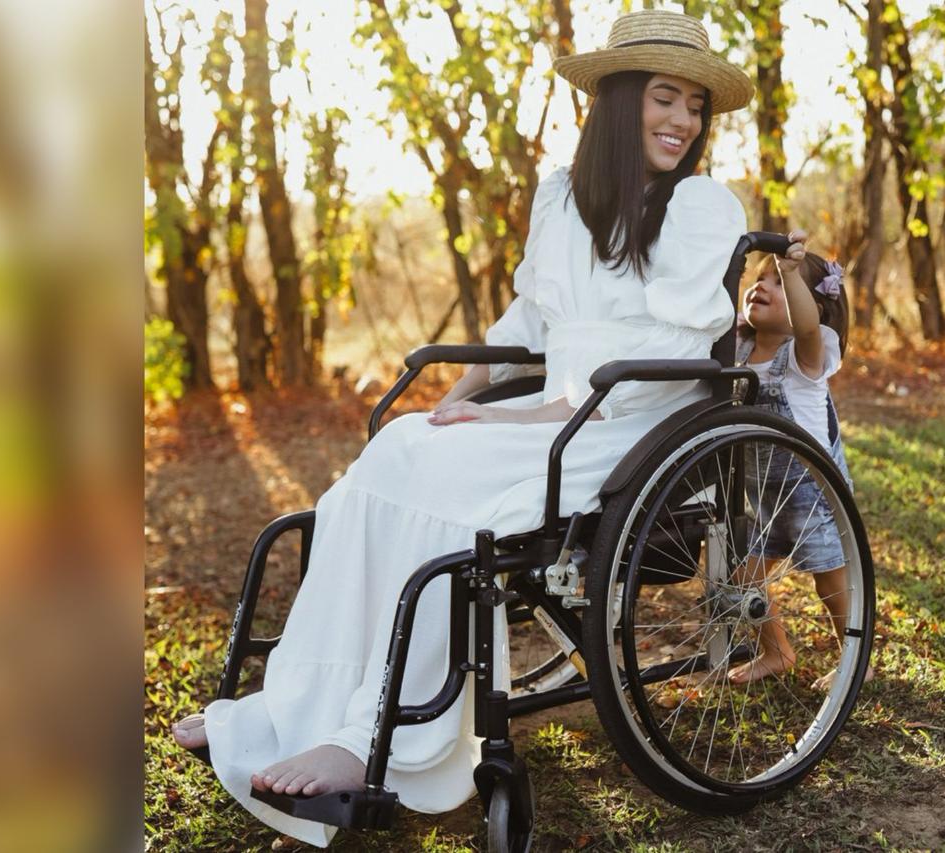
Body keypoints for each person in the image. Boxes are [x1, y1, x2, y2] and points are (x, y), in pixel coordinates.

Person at [169, 10, 754, 847]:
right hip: (561, 405)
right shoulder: (563, 195)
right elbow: (530, 315)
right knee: (401, 449)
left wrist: (554, 405)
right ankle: (298, 701)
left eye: (695, 106)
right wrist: (462, 389)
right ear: (621, 103)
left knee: (447, 497)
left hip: (630, 417)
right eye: (667, 99)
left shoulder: (700, 204)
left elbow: (673, 338)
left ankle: (378, 731)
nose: (683, 122)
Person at [725, 231, 855, 686]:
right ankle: (776, 650)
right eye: (760, 279)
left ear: (813, 307)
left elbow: (803, 324)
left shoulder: (805, 354)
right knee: (744, 572)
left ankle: (855, 653)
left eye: (776, 282)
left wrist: (792, 269)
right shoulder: (737, 351)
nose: (763, 286)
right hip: (758, 487)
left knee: (828, 576)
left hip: (809, 486)